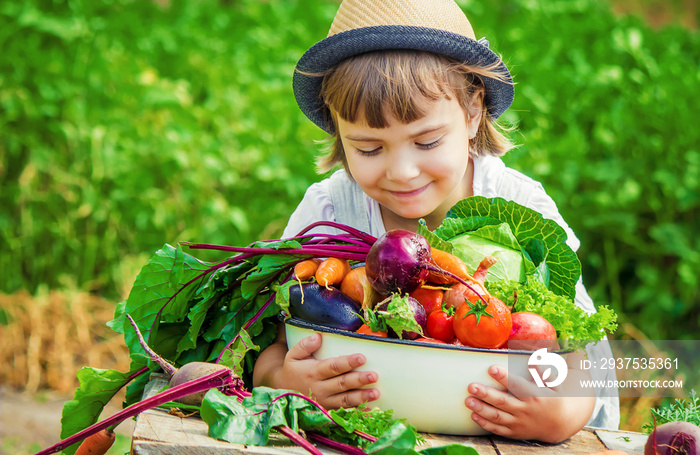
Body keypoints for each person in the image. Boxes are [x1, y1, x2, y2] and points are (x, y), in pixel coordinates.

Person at [252, 0, 620, 442]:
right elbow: (270, 347)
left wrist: (559, 417)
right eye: (369, 149)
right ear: (337, 132)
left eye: (426, 141)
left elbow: (584, 359)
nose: (402, 171)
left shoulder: (520, 205)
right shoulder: (327, 213)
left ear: (472, 112)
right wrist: (283, 382)